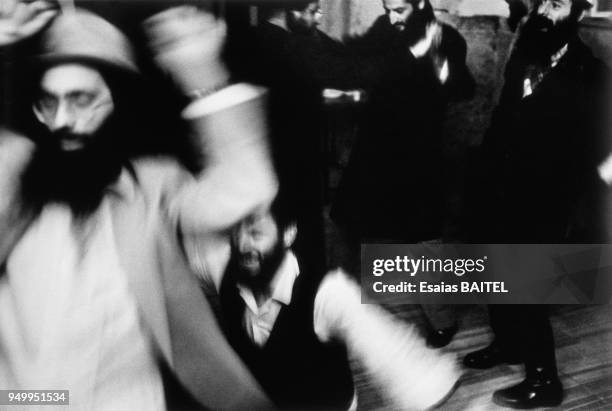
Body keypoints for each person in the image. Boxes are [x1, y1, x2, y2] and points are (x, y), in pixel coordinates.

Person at [0, 3, 278, 410]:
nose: (61, 120)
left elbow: (243, 189)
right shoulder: (17, 172)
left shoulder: (152, 184)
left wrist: (203, 74)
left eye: (81, 100)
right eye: (48, 102)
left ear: (118, 104)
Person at [191, 186, 463, 410]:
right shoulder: (222, 265)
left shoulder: (328, 293)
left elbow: (398, 359)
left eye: (255, 233)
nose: (241, 244)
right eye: (235, 232)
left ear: (288, 234)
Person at [464, 0, 610, 408]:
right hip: (500, 188)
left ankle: (544, 380)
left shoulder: (592, 74)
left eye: (558, 3)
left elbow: (595, 151)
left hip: (546, 200)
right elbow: (504, 118)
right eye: (542, 0)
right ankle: (508, 345)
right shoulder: (525, 57)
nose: (544, 10)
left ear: (579, 14)